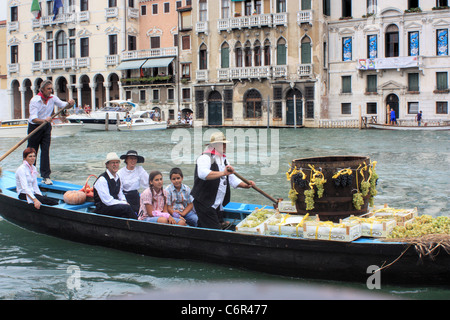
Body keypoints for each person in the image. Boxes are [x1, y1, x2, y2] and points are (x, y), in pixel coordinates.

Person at [191, 132, 255, 230]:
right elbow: (203, 174)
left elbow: (232, 179)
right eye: (222, 143)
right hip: (204, 202)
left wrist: (245, 185)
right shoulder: (205, 157)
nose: (225, 146)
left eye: (224, 143)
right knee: (215, 231)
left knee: (204, 228)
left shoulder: (224, 159)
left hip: (217, 203)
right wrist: (223, 173)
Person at [27, 80, 75, 185]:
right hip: (35, 127)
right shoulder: (35, 100)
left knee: (45, 151)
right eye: (48, 89)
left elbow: (64, 105)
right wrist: (44, 121)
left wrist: (70, 103)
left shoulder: (53, 98)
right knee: (32, 152)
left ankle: (45, 176)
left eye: (51, 89)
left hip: (46, 127)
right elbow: (33, 118)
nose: (50, 90)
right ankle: (29, 174)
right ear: (42, 89)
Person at [93, 152, 137, 219]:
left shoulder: (117, 177)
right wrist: (123, 203)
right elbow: (107, 201)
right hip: (103, 208)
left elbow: (120, 194)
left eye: (117, 163)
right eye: (113, 163)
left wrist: (124, 201)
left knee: (133, 203)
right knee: (126, 208)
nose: (115, 165)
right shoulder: (102, 180)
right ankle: (136, 223)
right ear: (107, 165)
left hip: (113, 206)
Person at [117, 150, 149, 215]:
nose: (133, 160)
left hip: (136, 197)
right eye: (131, 158)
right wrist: (124, 201)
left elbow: (148, 184)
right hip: (125, 197)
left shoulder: (140, 169)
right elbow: (119, 190)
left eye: (135, 158)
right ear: (126, 160)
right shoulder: (120, 173)